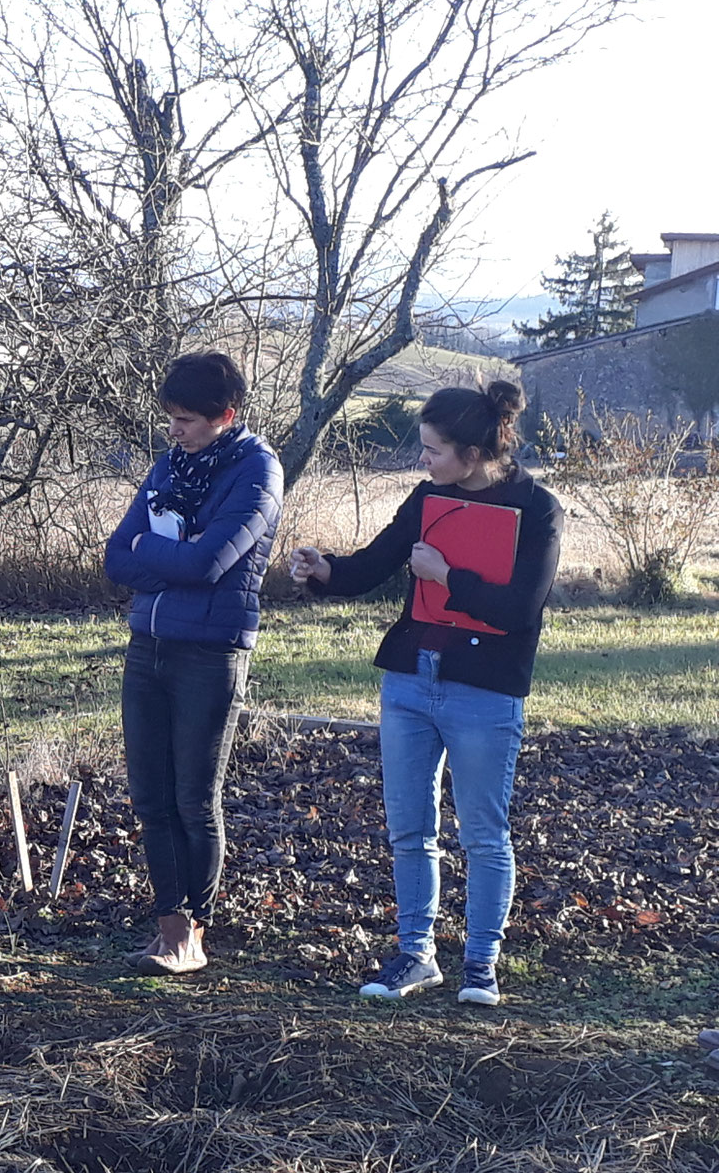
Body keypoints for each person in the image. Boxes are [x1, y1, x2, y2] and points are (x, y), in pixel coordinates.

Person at [291, 382, 561, 1006]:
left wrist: (445, 576)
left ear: (471, 453)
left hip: (485, 690)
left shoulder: (538, 509)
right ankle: (416, 956)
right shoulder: (427, 497)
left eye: (434, 451)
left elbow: (520, 610)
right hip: (410, 681)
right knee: (410, 828)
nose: (424, 461)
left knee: (484, 834)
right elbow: (373, 564)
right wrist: (324, 569)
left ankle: (480, 965)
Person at [103, 353, 283, 977]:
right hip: (147, 643)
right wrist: (168, 552)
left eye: (185, 420)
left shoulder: (257, 473)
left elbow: (208, 565)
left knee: (193, 797)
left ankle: (192, 935)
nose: (173, 430)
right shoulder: (169, 465)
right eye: (170, 418)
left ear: (224, 417)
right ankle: (164, 926)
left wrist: (152, 549)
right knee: (151, 797)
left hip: (211, 652)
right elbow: (114, 559)